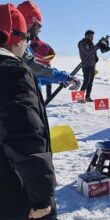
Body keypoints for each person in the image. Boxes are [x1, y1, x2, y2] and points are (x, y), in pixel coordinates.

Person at [0, 4, 57, 219]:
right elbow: (23, 138)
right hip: (13, 195)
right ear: (16, 38)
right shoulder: (12, 73)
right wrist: (42, 198)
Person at [17, 0, 80, 93]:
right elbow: (34, 69)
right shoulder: (16, 45)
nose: (38, 31)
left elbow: (32, 77)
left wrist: (58, 79)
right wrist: (65, 77)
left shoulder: (22, 43)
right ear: (30, 22)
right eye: (38, 26)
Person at [78, 29, 99, 102]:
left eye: (93, 36)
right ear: (86, 36)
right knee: (86, 81)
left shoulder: (91, 43)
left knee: (90, 82)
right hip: (86, 65)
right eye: (91, 36)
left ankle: (87, 97)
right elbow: (87, 52)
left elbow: (93, 52)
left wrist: (96, 58)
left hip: (92, 65)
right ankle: (79, 98)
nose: (92, 37)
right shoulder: (82, 43)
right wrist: (96, 47)